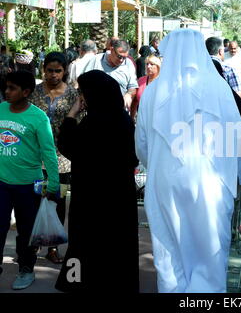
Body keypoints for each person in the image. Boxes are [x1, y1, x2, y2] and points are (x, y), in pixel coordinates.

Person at [135, 29, 241, 293]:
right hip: (210, 183)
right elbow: (237, 137)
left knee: (170, 252)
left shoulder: (154, 91)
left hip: (165, 183)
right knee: (209, 251)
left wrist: (156, 168)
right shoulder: (218, 88)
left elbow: (141, 142)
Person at [55, 70, 139, 293]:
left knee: (84, 242)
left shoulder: (92, 122)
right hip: (119, 195)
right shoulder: (122, 120)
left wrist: (72, 114)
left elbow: (66, 145)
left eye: (83, 93)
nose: (81, 97)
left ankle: (77, 281)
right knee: (118, 243)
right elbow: (134, 156)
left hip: (90, 195)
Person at [0, 70, 59, 290]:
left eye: (12, 88)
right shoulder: (0, 110)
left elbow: (48, 152)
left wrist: (53, 184)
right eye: (6, 87)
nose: (7, 92)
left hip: (28, 186)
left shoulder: (38, 117)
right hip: (1, 183)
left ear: (26, 92)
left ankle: (26, 269)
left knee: (26, 231)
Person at [29, 52, 81, 264]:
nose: (53, 75)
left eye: (58, 70)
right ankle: (33, 244)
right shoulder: (33, 92)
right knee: (33, 201)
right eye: (49, 70)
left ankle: (53, 246)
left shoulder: (72, 95)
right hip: (34, 158)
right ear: (43, 70)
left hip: (62, 160)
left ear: (65, 71)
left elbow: (77, 124)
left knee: (57, 203)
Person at [85, 39, 138, 111]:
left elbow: (133, 87)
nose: (121, 60)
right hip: (97, 111)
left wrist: (129, 94)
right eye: (119, 56)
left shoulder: (128, 63)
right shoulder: (96, 60)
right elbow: (83, 82)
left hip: (119, 112)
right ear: (112, 50)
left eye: (124, 57)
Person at [132, 54, 161, 119]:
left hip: (158, 119)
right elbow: (135, 101)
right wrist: (132, 117)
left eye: (151, 64)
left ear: (158, 66)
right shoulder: (141, 80)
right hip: (142, 118)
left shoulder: (162, 82)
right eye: (147, 64)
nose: (148, 66)